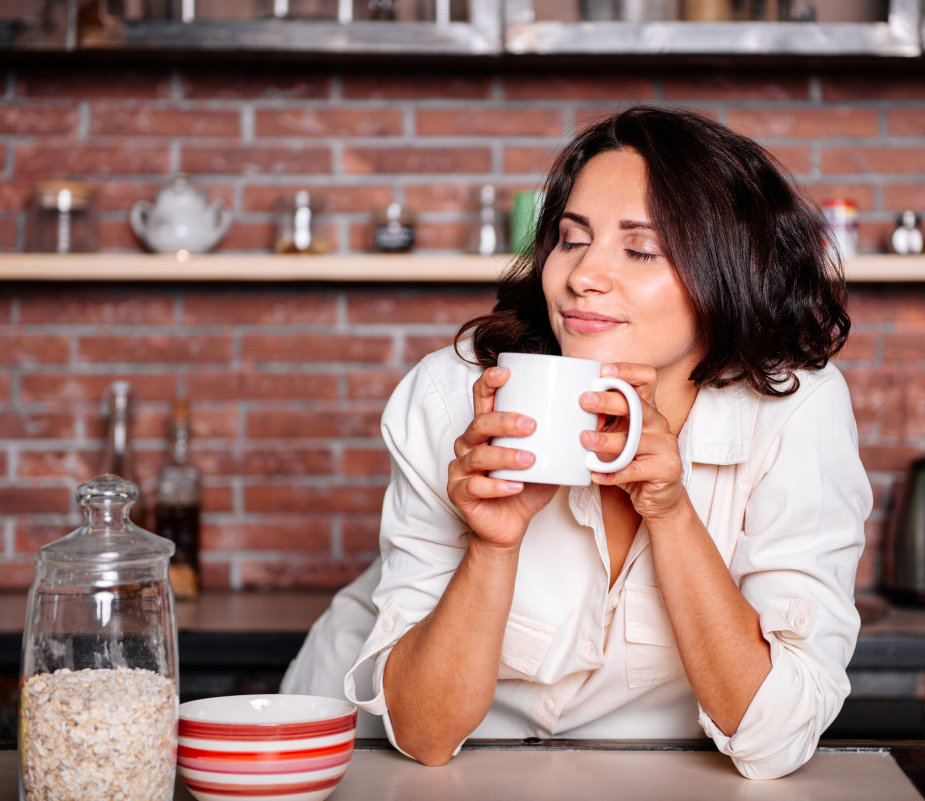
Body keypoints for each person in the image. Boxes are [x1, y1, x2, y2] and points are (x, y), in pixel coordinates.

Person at [281, 105, 872, 780]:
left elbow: (776, 738)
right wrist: (492, 544)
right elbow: (424, 735)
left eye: (640, 248)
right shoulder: (453, 397)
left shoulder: (794, 410)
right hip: (377, 758)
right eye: (570, 238)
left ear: (729, 272)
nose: (582, 275)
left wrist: (670, 511)